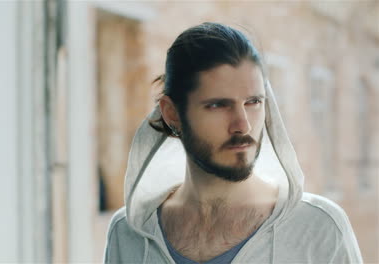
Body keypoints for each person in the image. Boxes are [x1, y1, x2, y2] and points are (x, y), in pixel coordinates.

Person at [104, 22, 363, 263]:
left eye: (253, 102)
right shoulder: (129, 231)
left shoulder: (318, 228)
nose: (243, 124)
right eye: (218, 105)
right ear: (172, 113)